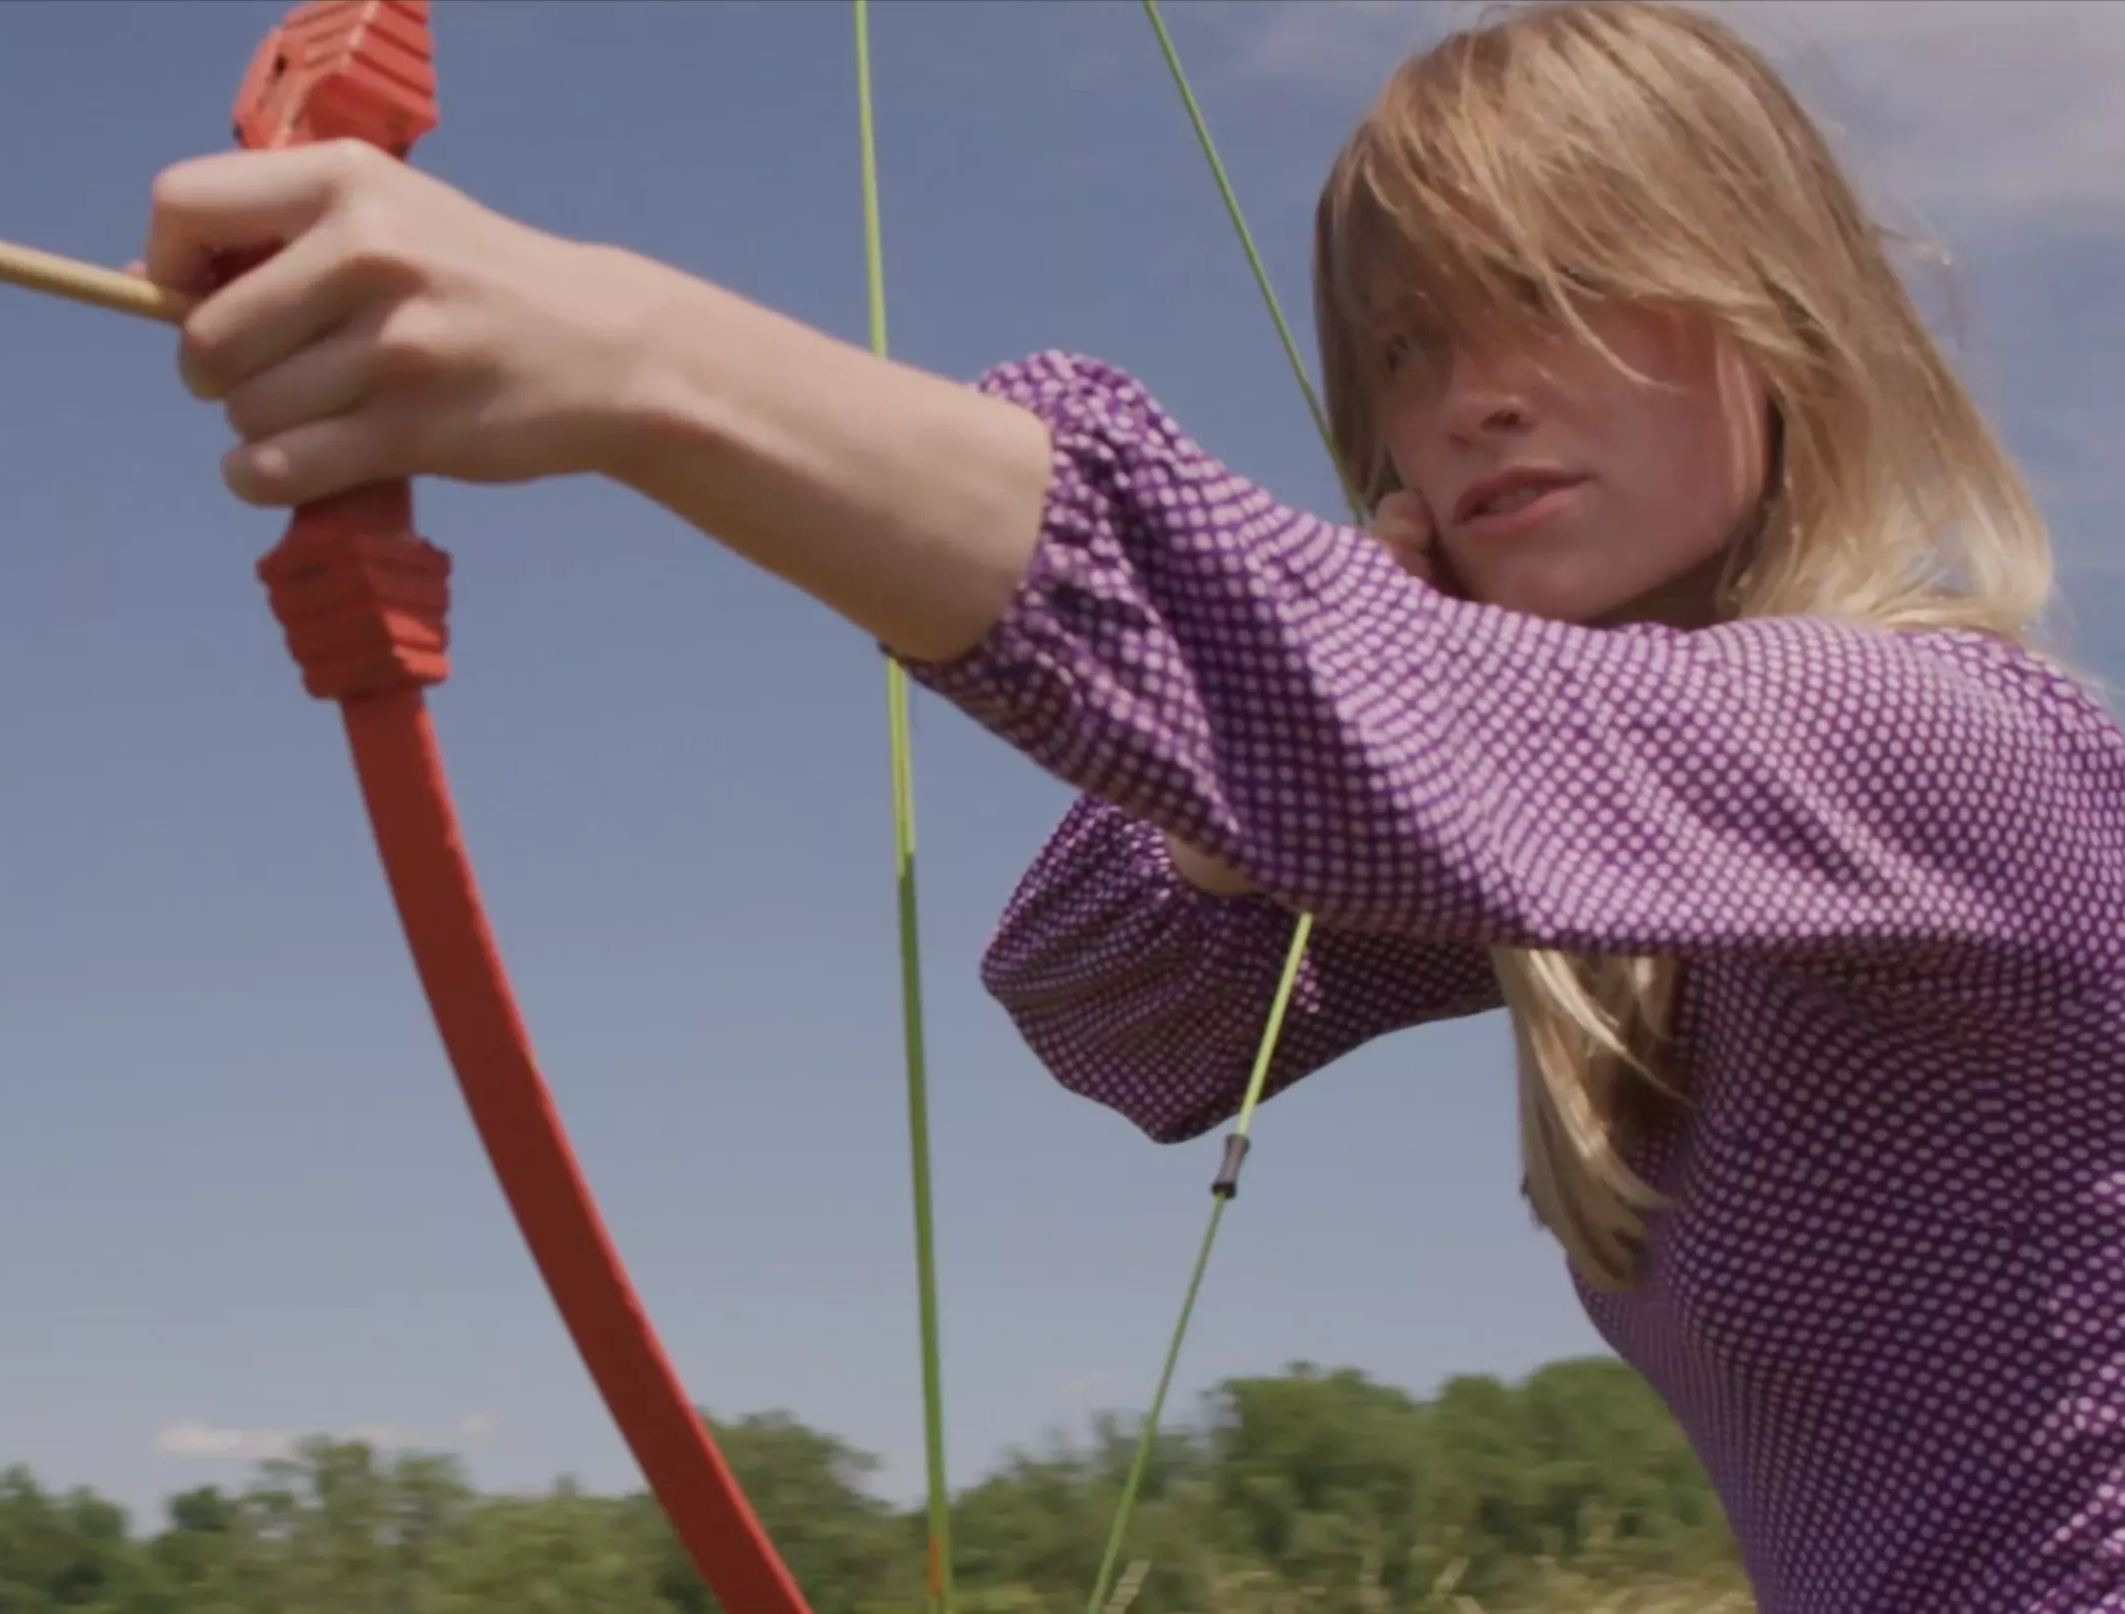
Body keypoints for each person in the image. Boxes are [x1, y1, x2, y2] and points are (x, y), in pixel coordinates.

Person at [134, 1, 2125, 1607]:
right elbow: (1114, 1003)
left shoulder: (1951, 747)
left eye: (1557, 287)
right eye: (1408, 342)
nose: (1466, 394)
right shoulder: (1590, 861)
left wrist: (633, 359)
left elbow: (1395, 730)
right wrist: (1267, 730)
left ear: (1772, 307)